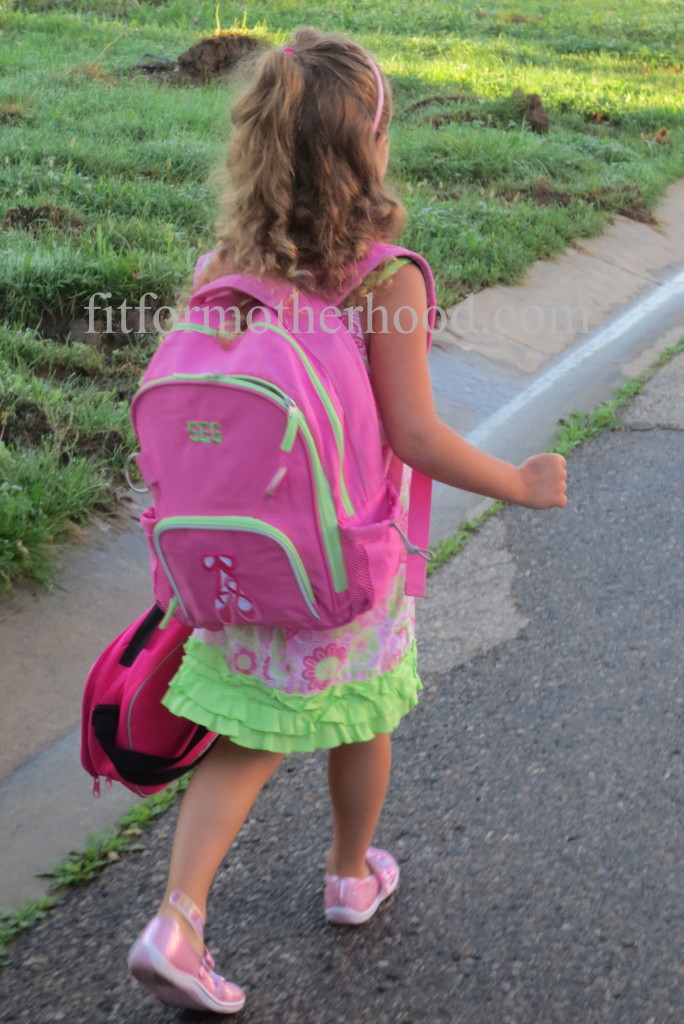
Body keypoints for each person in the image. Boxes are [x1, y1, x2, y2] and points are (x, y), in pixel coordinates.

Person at [127, 28, 567, 1015]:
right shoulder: (385, 279)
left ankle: (178, 916)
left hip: (240, 563)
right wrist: (518, 482)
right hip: (338, 562)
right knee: (362, 716)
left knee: (244, 742)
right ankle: (349, 870)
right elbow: (416, 436)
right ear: (369, 146)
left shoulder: (221, 268)